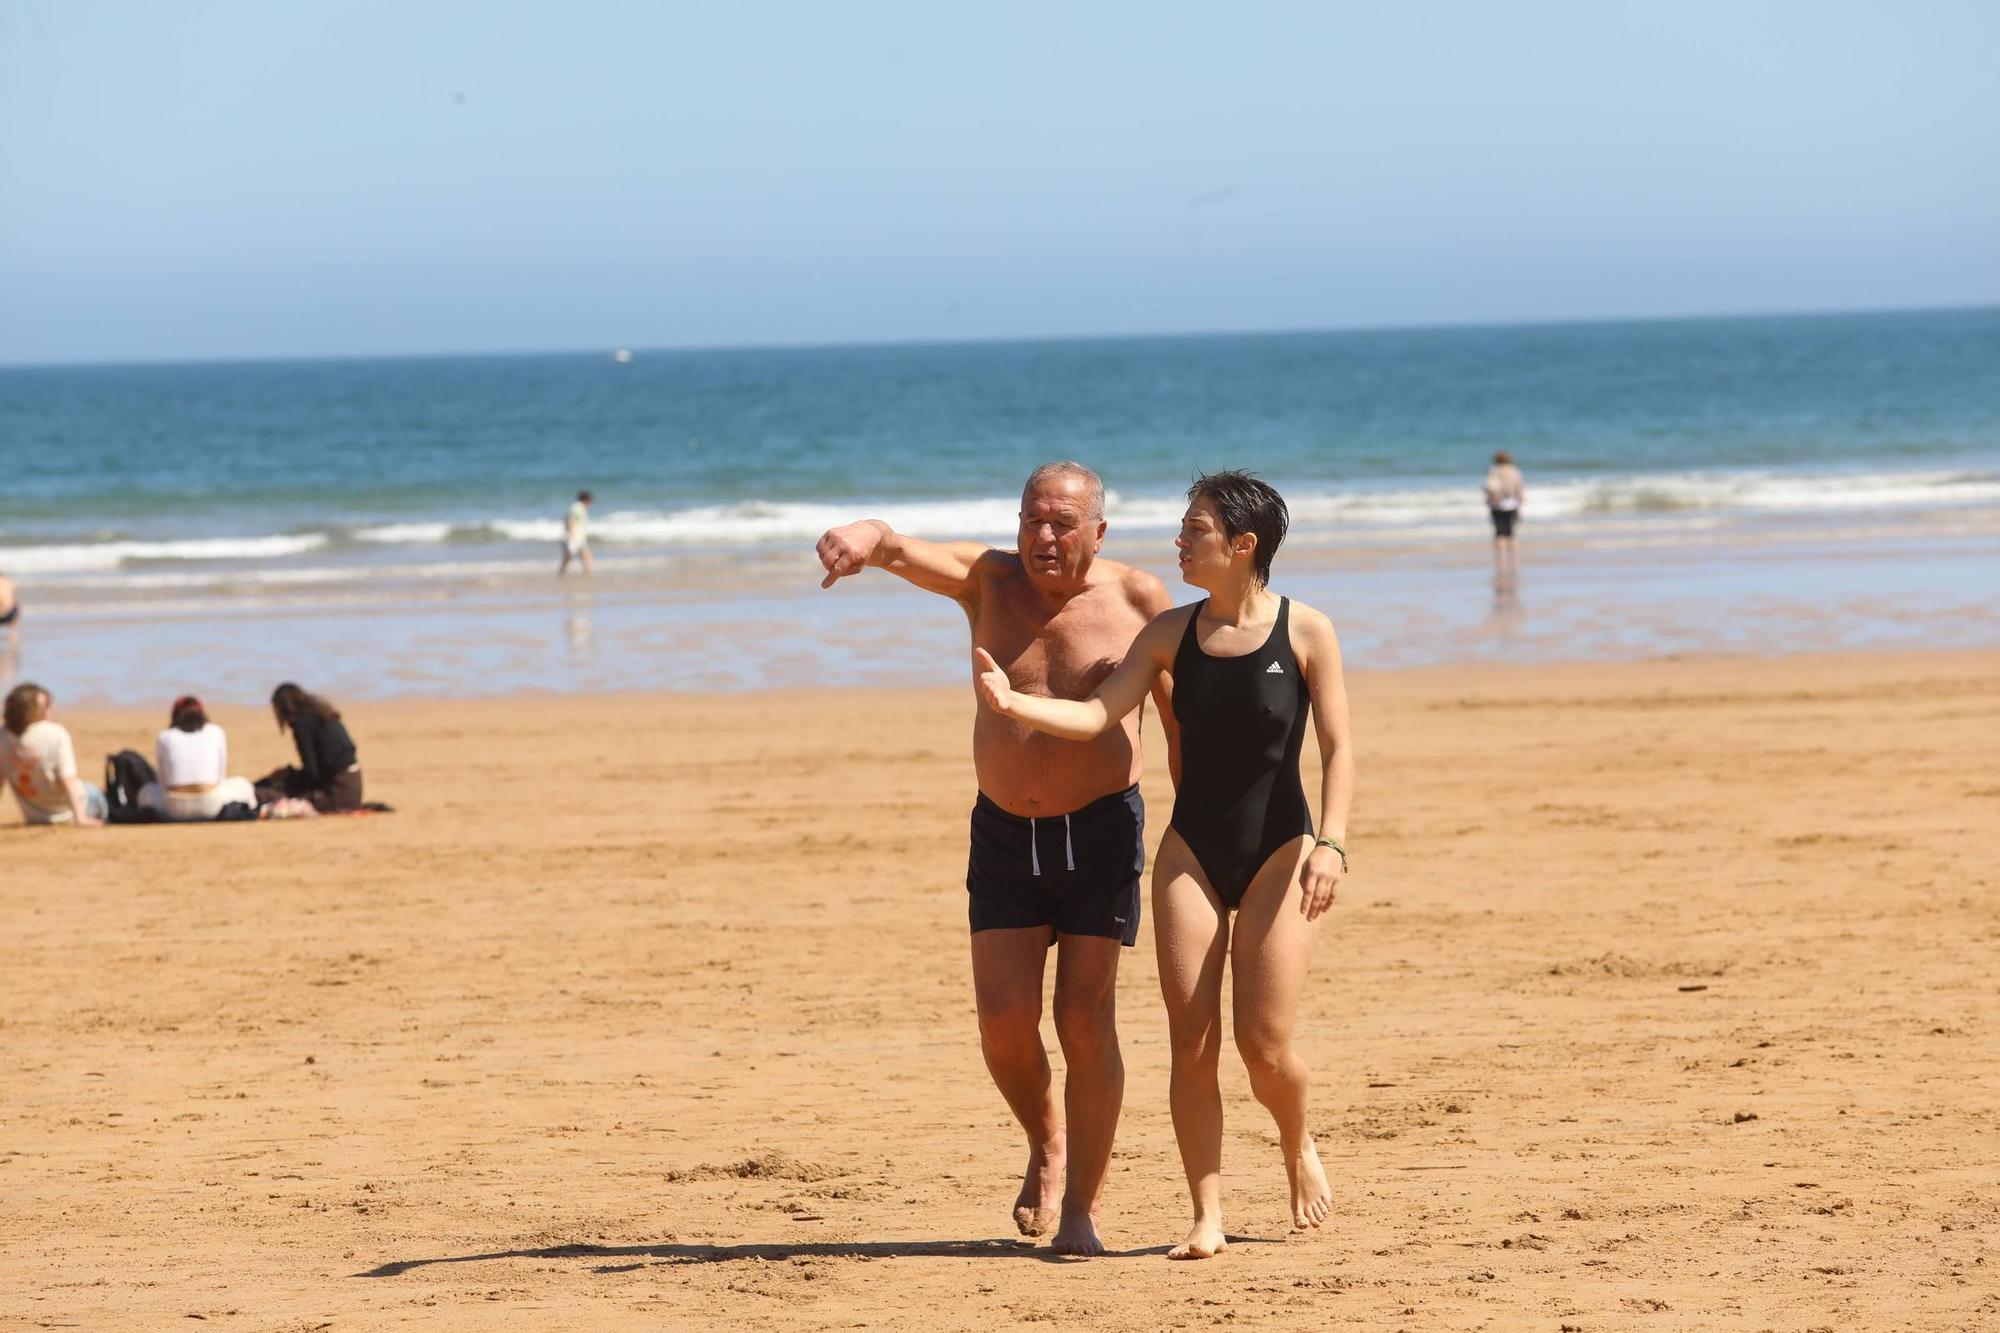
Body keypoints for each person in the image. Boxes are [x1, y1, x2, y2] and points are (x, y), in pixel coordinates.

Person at [972, 470, 1354, 1260]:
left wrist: (1333, 842)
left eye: (1196, 530)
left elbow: (1338, 748)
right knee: (1193, 1041)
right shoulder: (1169, 634)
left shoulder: (1307, 630)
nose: (1180, 541)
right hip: (1191, 852)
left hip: (1284, 849)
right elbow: (1095, 713)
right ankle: (1205, 1215)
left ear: (1243, 546)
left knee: (1265, 1045)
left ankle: (1296, 1140)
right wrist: (1012, 705)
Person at [815, 462, 1179, 1256]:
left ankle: (1080, 1204)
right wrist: (861, 534)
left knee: (1084, 1020)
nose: (1042, 538)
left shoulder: (1141, 602)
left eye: (1061, 524)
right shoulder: (989, 582)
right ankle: (1045, 1139)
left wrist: (1197, 833)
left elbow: (1180, 727)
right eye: (1031, 521)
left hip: (1103, 831)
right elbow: (900, 548)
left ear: (1099, 531)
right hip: (1006, 832)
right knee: (1004, 1025)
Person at [1, 682, 107, 827]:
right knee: (96, 792)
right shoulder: (55, 734)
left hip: (36, 815)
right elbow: (67, 780)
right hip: (69, 811)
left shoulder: (3, 738)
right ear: (30, 712)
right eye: (46, 705)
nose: (50, 710)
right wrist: (81, 818)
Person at [137, 695, 257, 821]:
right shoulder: (216, 732)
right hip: (212, 806)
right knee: (243, 785)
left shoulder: (165, 736)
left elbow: (163, 781)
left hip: (173, 810)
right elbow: (220, 777)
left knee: (146, 790)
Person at [253, 683, 363, 812]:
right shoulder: (320, 714)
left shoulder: (302, 724)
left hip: (337, 793)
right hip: (352, 787)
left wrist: (288, 776)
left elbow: (312, 773)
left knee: (272, 792)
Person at [1483, 450, 1525, 576]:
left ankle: (1500, 563)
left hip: (1496, 504)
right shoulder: (1515, 471)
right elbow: (1519, 488)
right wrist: (1521, 502)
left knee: (1499, 533)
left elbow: (1487, 488)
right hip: (1512, 503)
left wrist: (1488, 500)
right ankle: (1513, 561)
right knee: (1511, 533)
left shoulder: (1493, 471)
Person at [558, 490, 594, 576]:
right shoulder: (577, 507)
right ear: (586, 500)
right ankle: (587, 574)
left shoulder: (577, 507)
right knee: (586, 556)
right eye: (590, 501)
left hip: (576, 536)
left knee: (569, 558)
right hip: (575, 537)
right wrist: (571, 532)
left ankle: (562, 573)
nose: (591, 504)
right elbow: (570, 519)